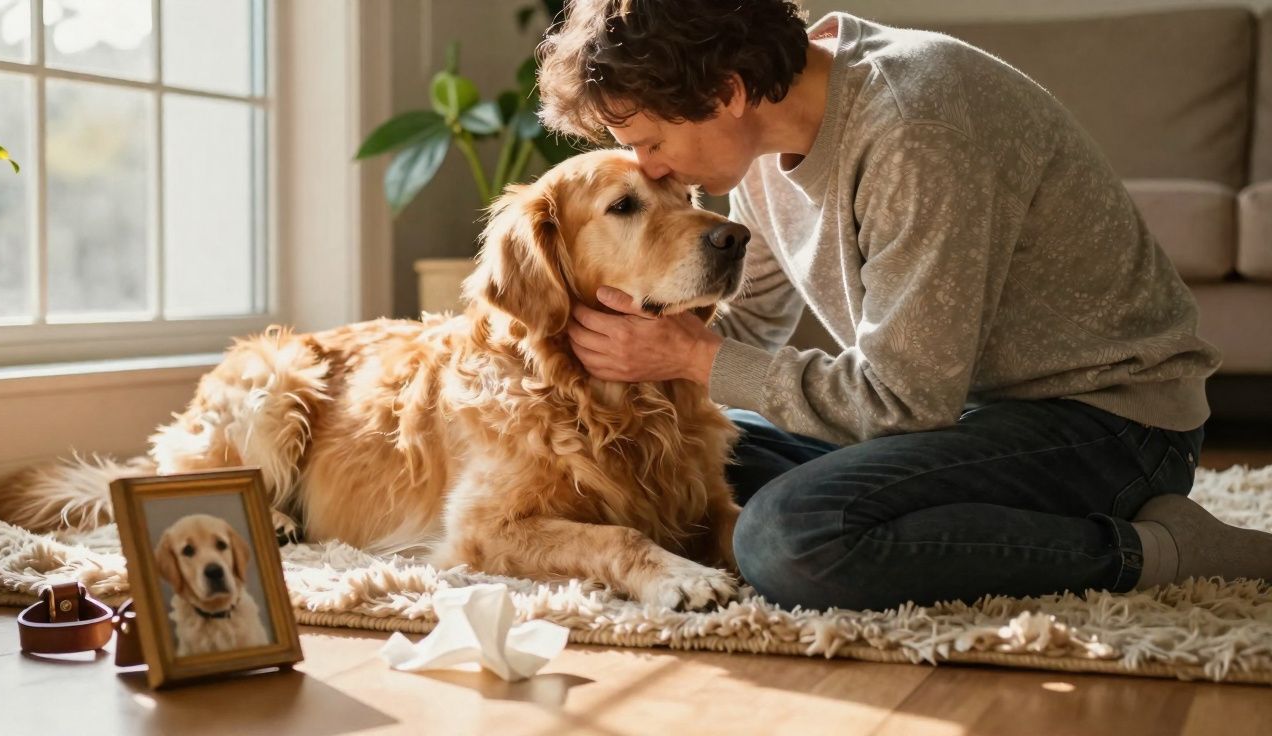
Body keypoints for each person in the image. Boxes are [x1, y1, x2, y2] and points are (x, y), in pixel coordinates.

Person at [535, 0, 1272, 611]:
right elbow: (753, 328)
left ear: (725, 92)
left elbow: (905, 400)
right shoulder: (760, 140)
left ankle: (1154, 548)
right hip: (967, 418)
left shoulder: (914, 129)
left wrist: (691, 357)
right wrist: (635, 337)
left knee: (787, 538)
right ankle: (968, 521)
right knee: (702, 457)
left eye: (650, 141)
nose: (650, 167)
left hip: (1109, 423)